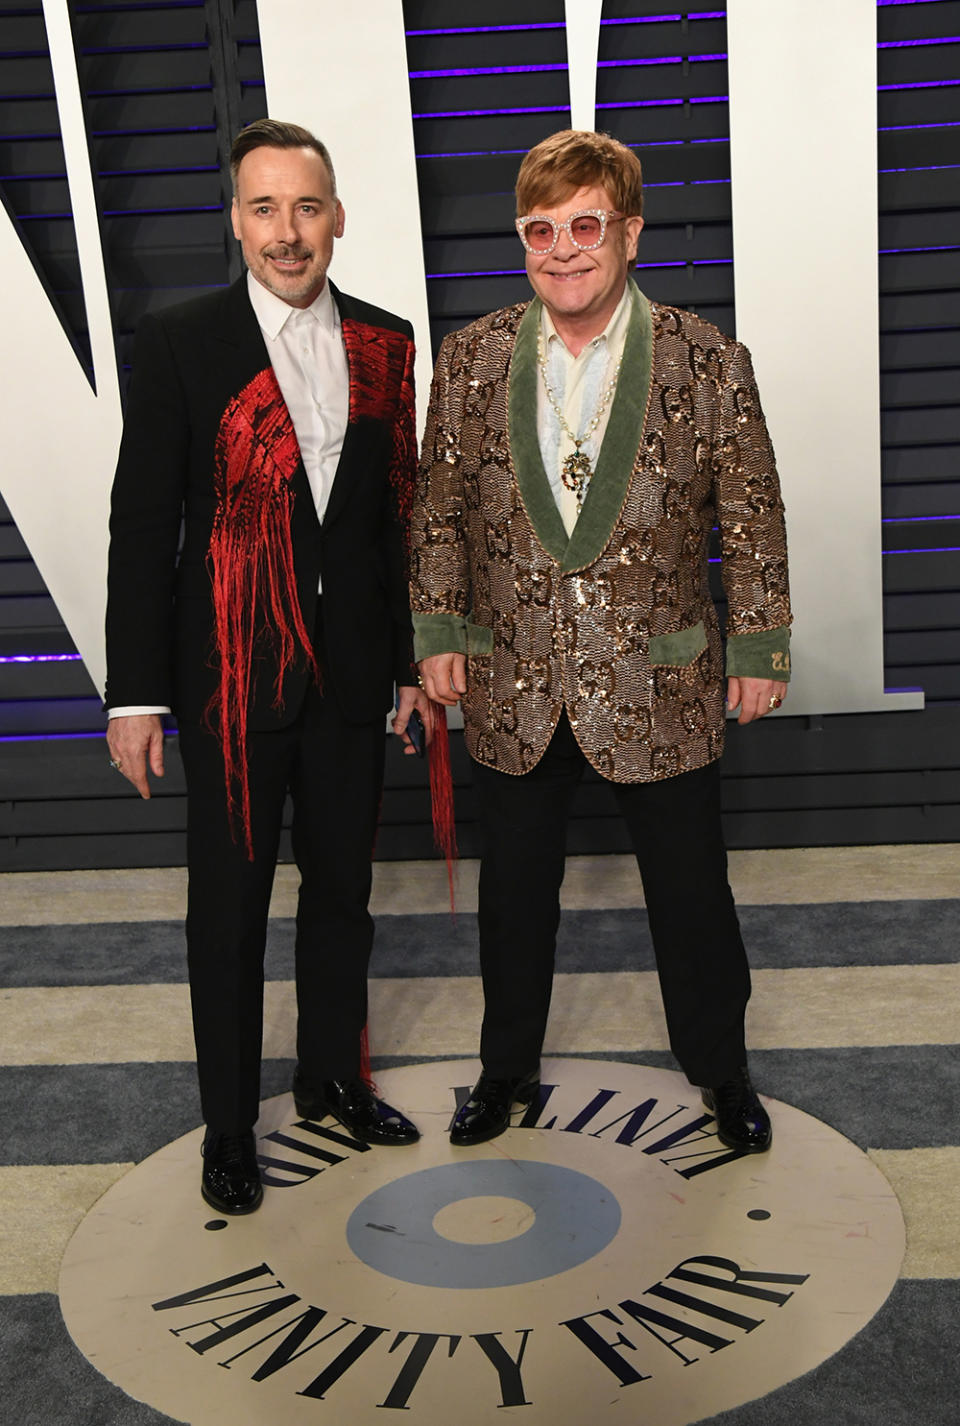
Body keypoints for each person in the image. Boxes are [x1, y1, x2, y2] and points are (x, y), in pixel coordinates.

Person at [411, 129, 790, 1153]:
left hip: (659, 682)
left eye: (585, 225)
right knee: (514, 901)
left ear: (627, 231)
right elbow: (439, 510)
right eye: (541, 229)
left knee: (691, 900)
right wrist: (439, 631)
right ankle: (505, 1070)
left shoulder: (707, 358)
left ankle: (722, 1073)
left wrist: (758, 647)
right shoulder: (473, 358)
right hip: (514, 680)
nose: (563, 249)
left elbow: (750, 512)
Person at [105, 119, 431, 1214]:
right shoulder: (183, 340)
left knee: (344, 894)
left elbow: (393, 523)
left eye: (306, 207)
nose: (287, 233)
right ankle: (232, 1127)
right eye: (264, 208)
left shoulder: (388, 343)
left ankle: (334, 1076)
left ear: (337, 215)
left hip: (349, 682)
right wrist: (136, 694)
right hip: (230, 686)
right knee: (229, 910)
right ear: (236, 219)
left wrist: (401, 671)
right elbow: (143, 527)